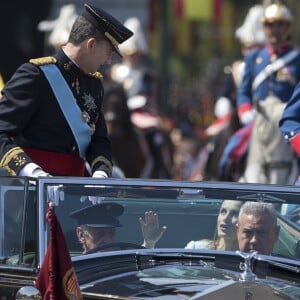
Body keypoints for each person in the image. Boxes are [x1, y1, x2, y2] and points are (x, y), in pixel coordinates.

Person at [0, 4, 133, 178]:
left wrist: (101, 171)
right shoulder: (35, 75)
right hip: (32, 188)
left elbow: (99, 140)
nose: (108, 61)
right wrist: (29, 170)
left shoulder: (94, 84)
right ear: (91, 44)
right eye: (109, 52)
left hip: (76, 190)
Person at [237, 2, 300, 184]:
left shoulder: (297, 58)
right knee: (231, 150)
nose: (275, 30)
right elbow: (244, 90)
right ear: (264, 28)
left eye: (280, 24)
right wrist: (245, 110)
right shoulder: (253, 57)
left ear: (288, 28)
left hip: (286, 120)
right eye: (270, 25)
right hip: (259, 117)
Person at [70, 202, 167, 253]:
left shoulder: (120, 264)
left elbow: (139, 267)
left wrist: (149, 242)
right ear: (81, 235)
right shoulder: (71, 269)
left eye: (111, 233)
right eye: (99, 233)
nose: (107, 239)